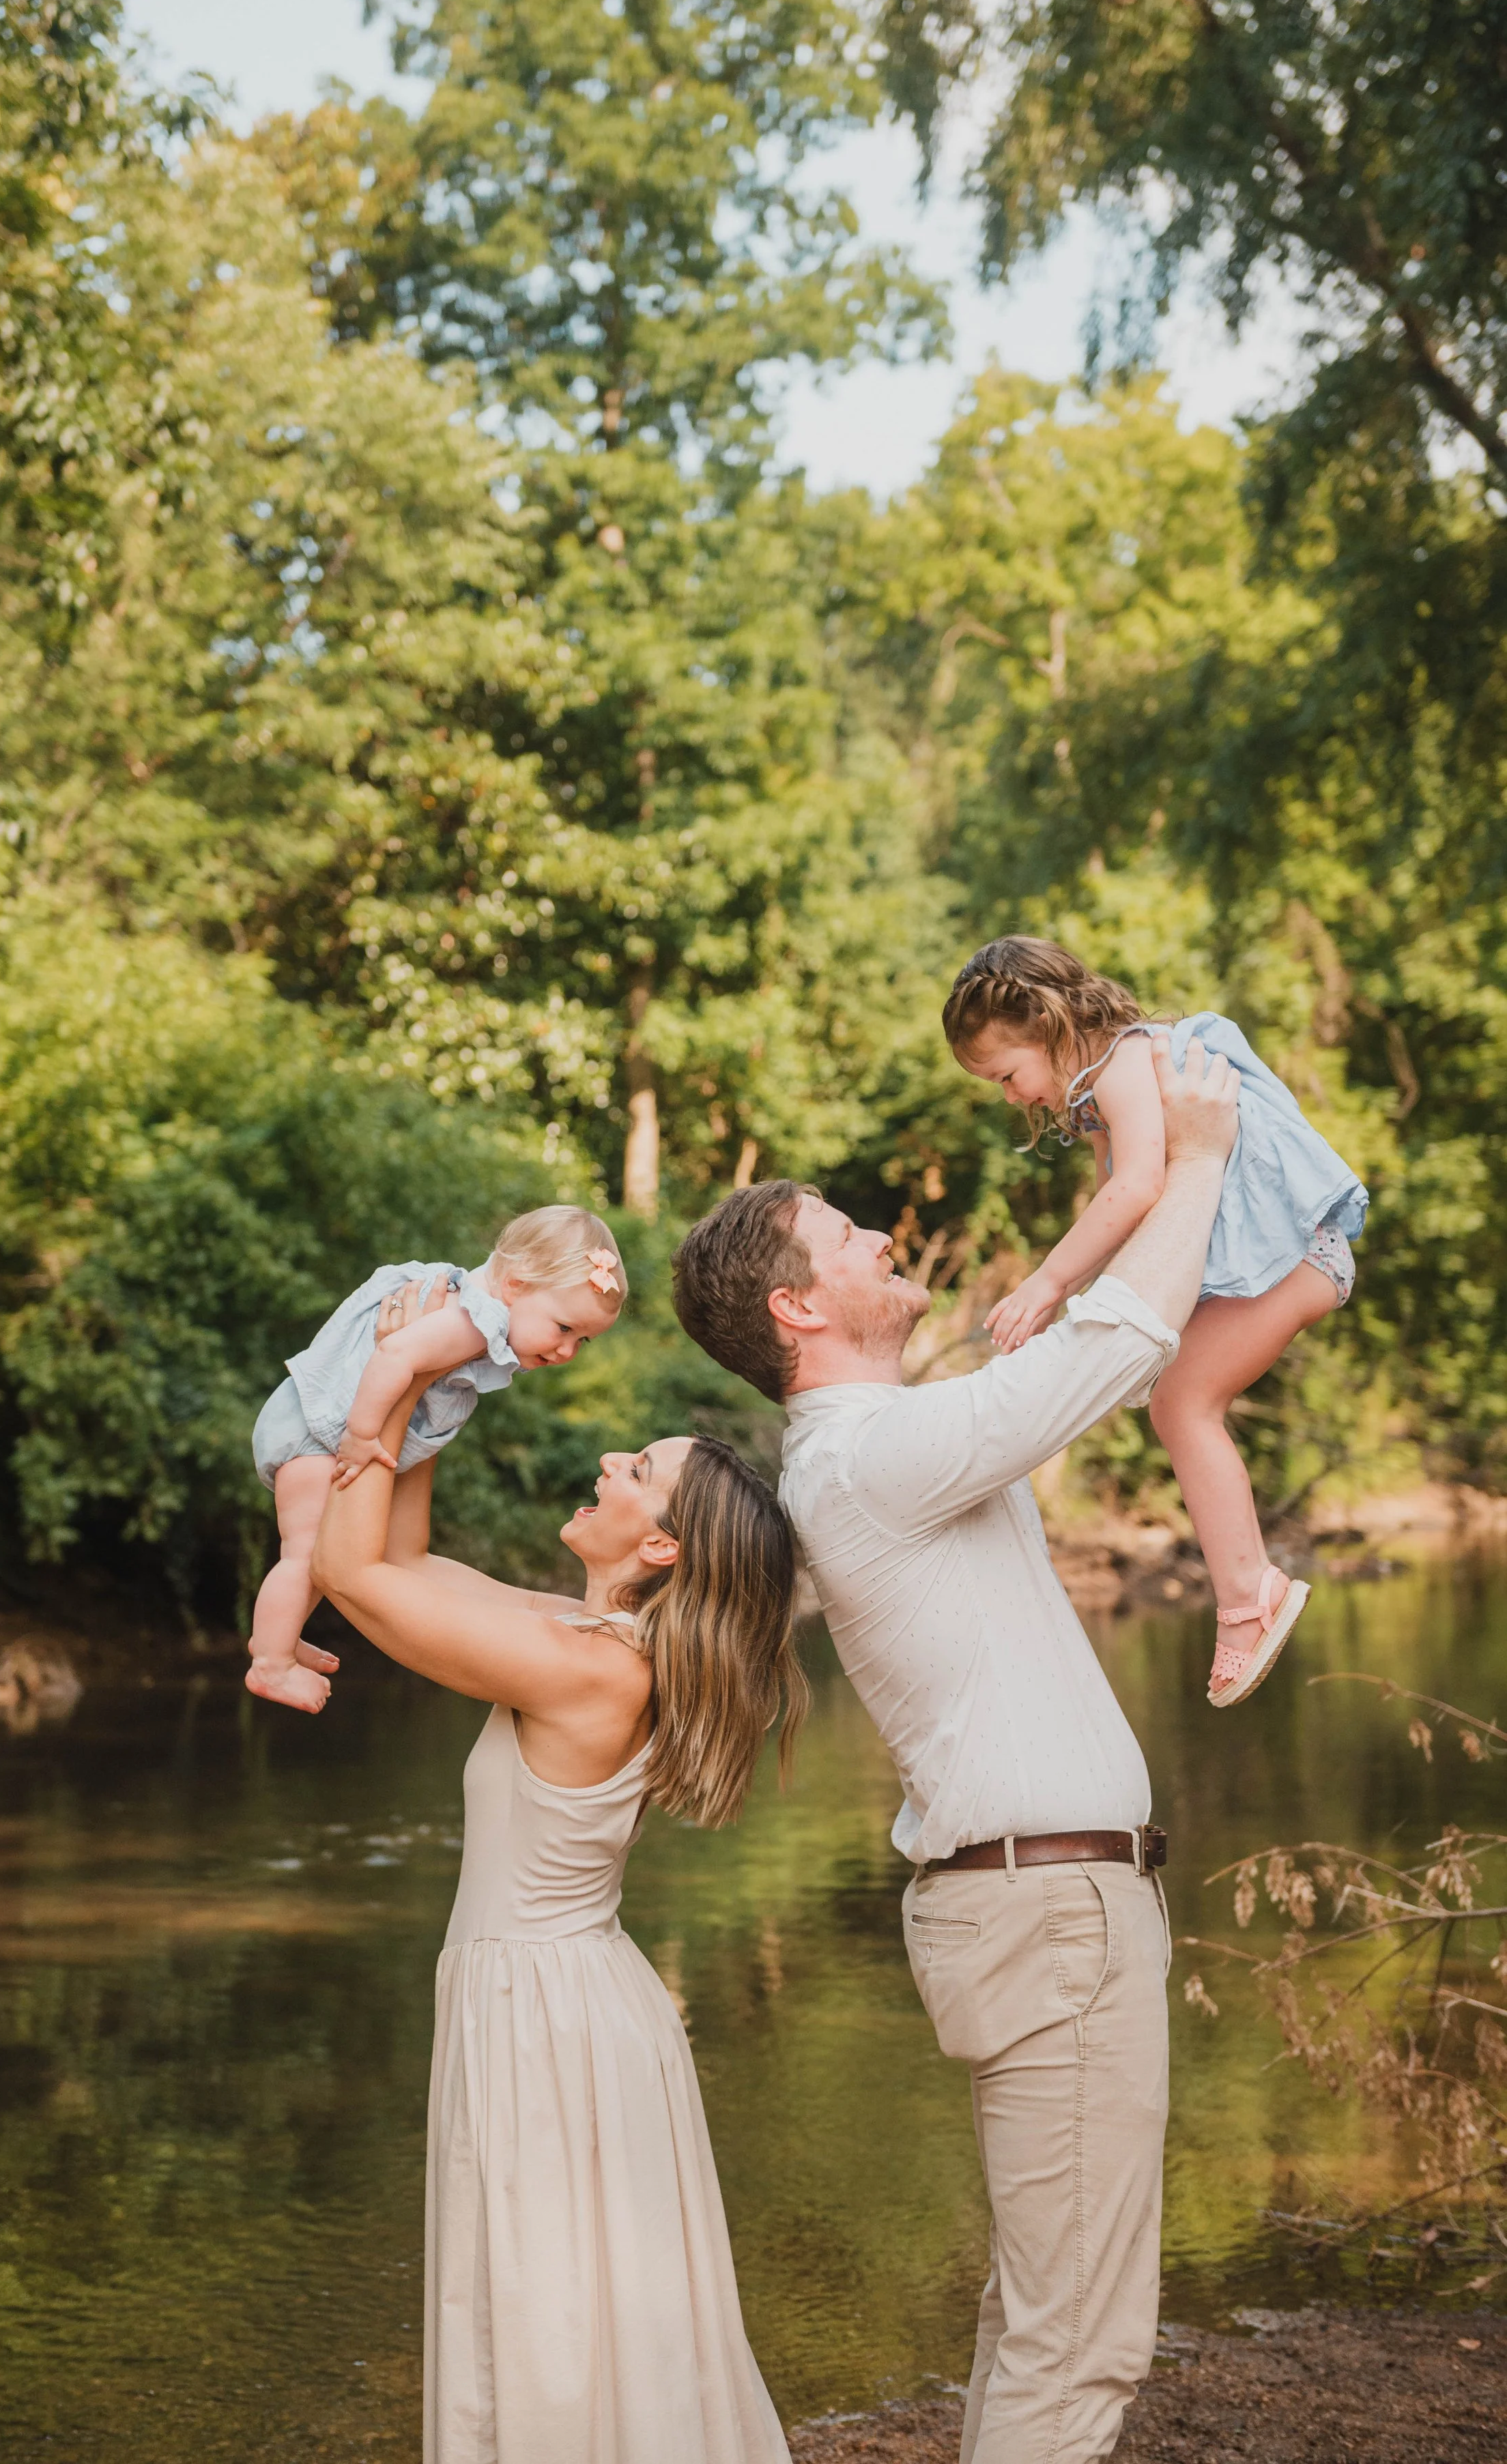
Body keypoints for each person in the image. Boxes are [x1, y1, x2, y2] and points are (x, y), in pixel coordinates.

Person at [670, 1036, 1240, 2464]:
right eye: (847, 1235)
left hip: (1049, 1906)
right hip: (1043, 1910)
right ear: (800, 1307)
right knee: (1076, 2337)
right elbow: (1117, 1350)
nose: (880, 1235)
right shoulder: (861, 1458)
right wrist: (1198, 1157)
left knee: (1043, 2318)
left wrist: (1106, 1208)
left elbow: (1064, 1342)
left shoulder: (893, 1443)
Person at [310, 1276, 805, 2464]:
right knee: (573, 2313)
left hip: (545, 2015)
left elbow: (349, 1576)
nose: (609, 1457)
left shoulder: (594, 1669)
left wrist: (382, 1397)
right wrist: (437, 1386)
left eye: (638, 1468)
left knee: (550, 2317)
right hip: (566, 2000)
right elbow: (407, 1560)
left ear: (660, 1544)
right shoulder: (587, 1640)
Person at [943, 936, 1366, 1707]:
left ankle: (1248, 1595)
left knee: (1183, 1403)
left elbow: (1137, 1189)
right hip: (1292, 1263)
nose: (1009, 1096)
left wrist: (1049, 1281)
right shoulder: (1101, 1092)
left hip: (1303, 1257)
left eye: (1007, 1074)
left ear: (1045, 1023)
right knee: (1175, 1400)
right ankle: (1246, 1589)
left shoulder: (1129, 1063)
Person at [248, 1204, 627, 1711]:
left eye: (582, 1339)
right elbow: (394, 1355)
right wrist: (362, 1435)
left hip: (303, 1419)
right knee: (308, 1553)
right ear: (515, 1284)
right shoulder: (475, 1321)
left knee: (310, 1552)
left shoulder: (461, 1300)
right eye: (563, 1327)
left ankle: (279, 1634)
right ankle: (270, 1663)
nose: (568, 1350)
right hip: (317, 1434)